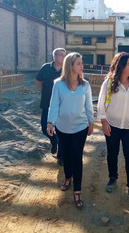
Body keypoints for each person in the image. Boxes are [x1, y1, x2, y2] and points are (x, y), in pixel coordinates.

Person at [47, 52, 94, 208]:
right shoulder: (58, 84)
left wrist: (91, 121)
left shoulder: (85, 85)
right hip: (63, 127)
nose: (82, 66)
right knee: (66, 155)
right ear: (70, 66)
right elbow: (54, 105)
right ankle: (67, 177)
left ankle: (77, 191)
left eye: (81, 63)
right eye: (79, 63)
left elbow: (88, 106)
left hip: (80, 127)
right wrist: (50, 122)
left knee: (77, 157)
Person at [97, 52, 129, 202]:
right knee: (112, 153)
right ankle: (112, 178)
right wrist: (104, 122)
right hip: (112, 124)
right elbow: (100, 103)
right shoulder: (109, 83)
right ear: (121, 65)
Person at [35, 48, 66, 166]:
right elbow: (37, 81)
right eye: (61, 55)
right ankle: (54, 141)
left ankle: (61, 157)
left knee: (62, 130)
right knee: (44, 127)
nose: (63, 57)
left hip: (62, 105)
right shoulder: (46, 68)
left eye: (65, 55)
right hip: (47, 103)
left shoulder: (66, 69)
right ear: (55, 57)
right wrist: (47, 90)